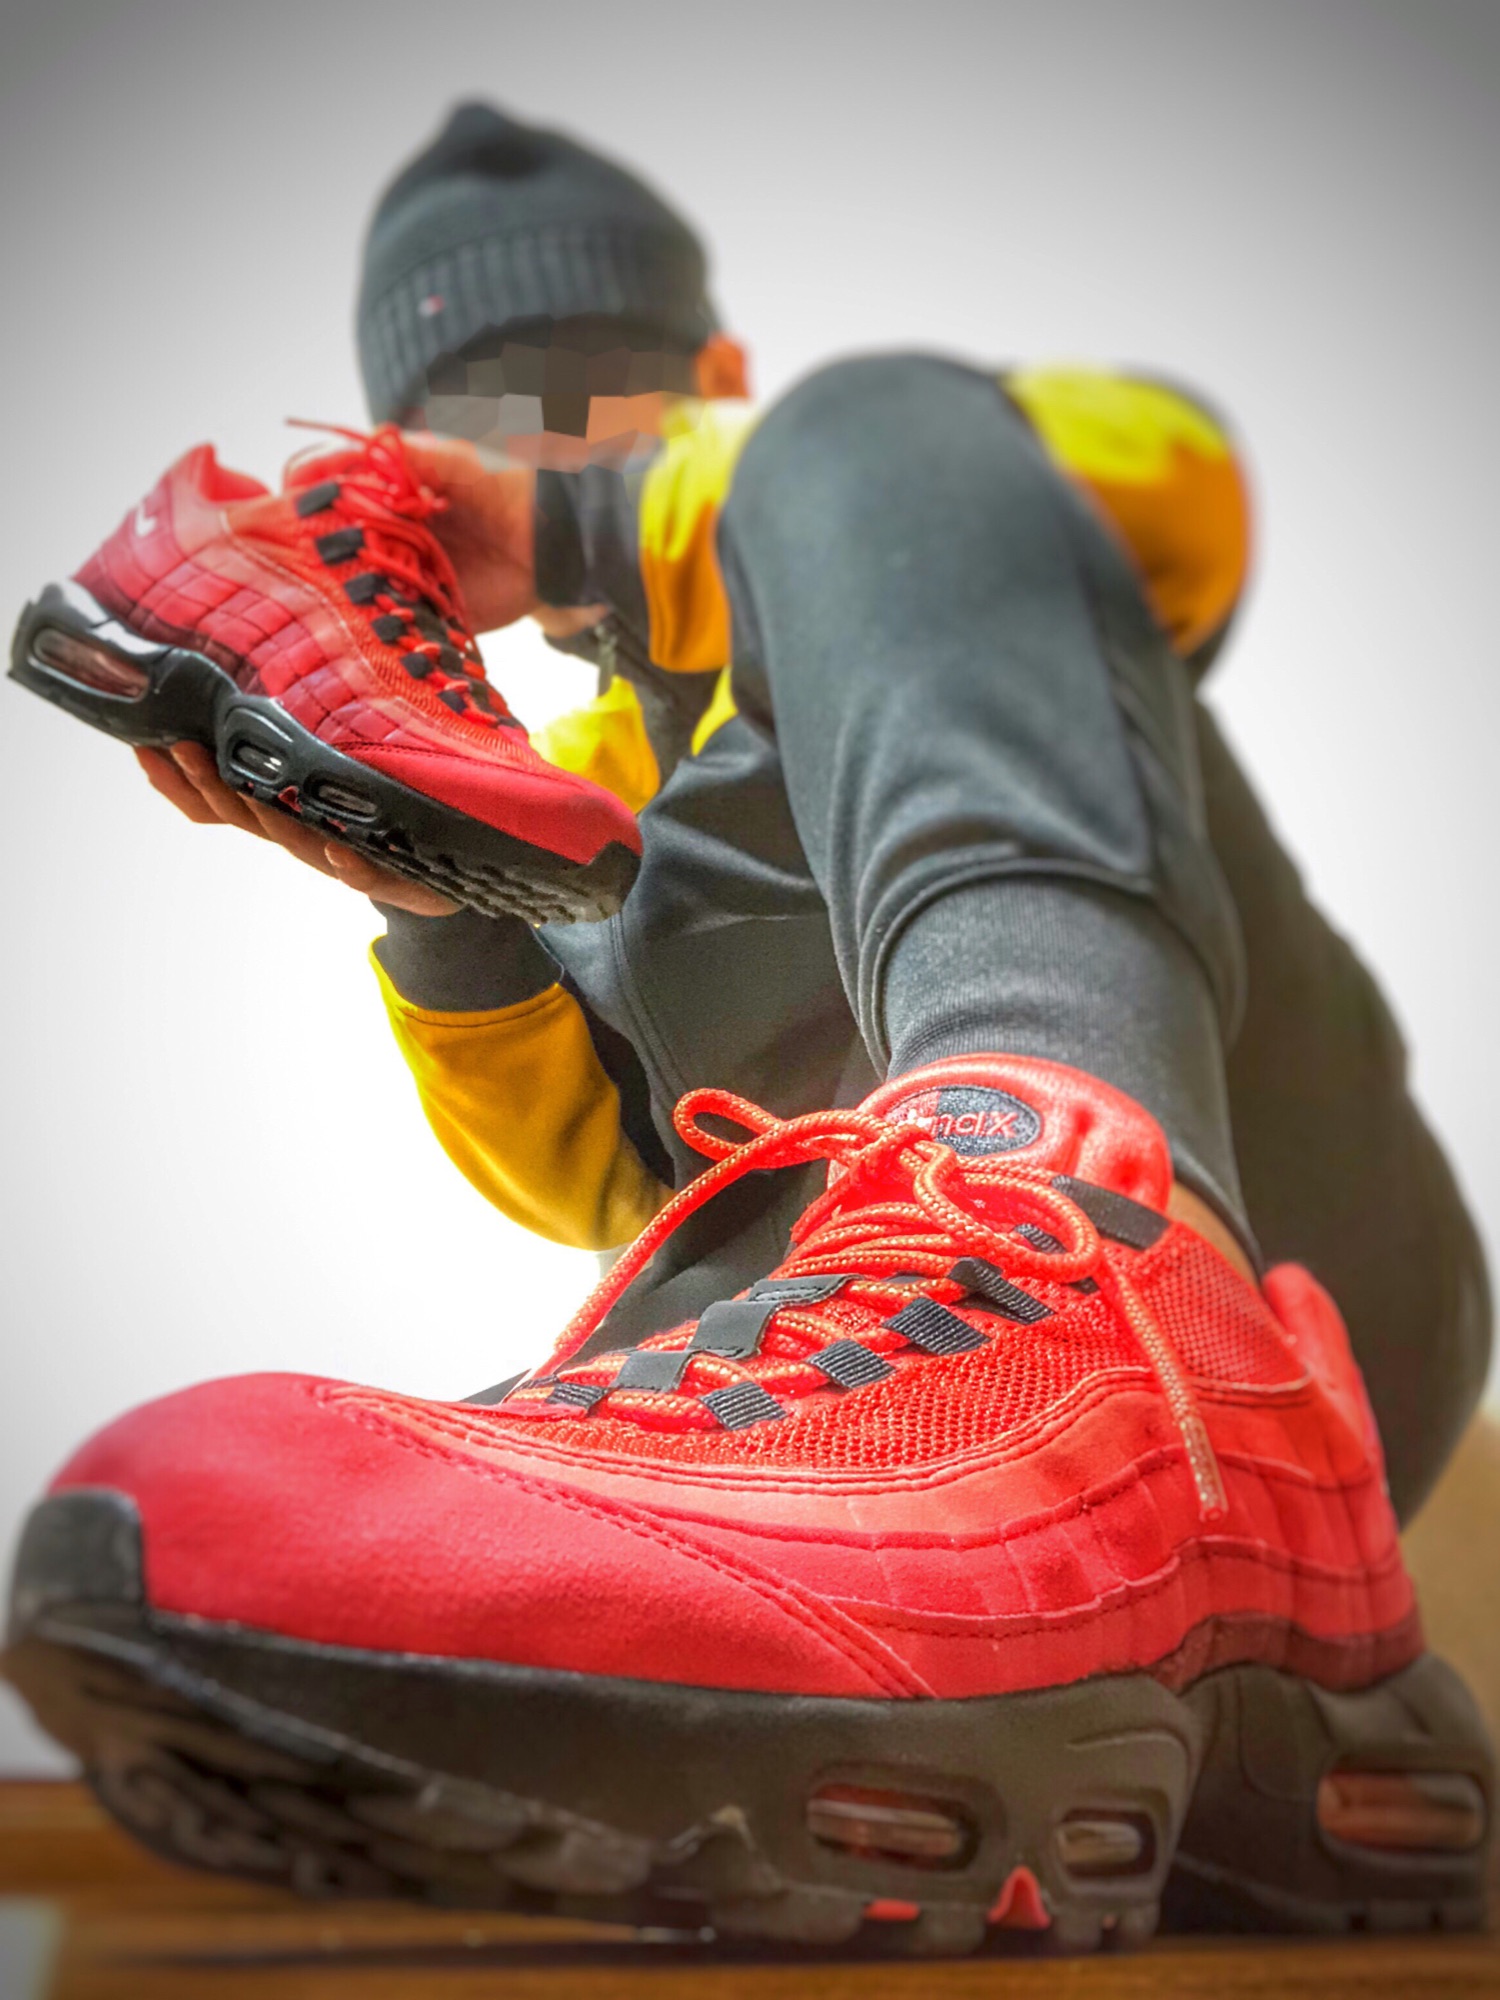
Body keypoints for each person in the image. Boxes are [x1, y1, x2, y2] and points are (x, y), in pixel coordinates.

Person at [4, 103, 1493, 1952]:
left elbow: (1175, 491)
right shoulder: (605, 797)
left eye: (585, 390)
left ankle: (1103, 1268)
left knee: (884, 447)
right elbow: (587, 1176)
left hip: (1306, 1281)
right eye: (471, 412)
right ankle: (1207, 1684)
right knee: (620, 891)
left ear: (710, 375)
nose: (527, 439)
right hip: (978, 1400)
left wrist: (587, 521)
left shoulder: (898, 465)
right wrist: (426, 873)